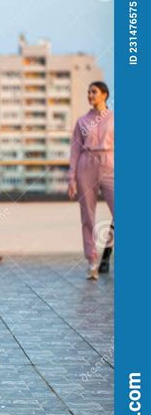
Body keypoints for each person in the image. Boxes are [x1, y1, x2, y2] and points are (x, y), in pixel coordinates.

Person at [68, 82, 114, 280]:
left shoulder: (115, 118)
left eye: (93, 92)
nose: (90, 94)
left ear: (104, 95)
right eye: (88, 92)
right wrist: (72, 177)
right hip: (85, 166)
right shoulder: (82, 121)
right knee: (87, 216)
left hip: (110, 164)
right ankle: (92, 261)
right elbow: (75, 150)